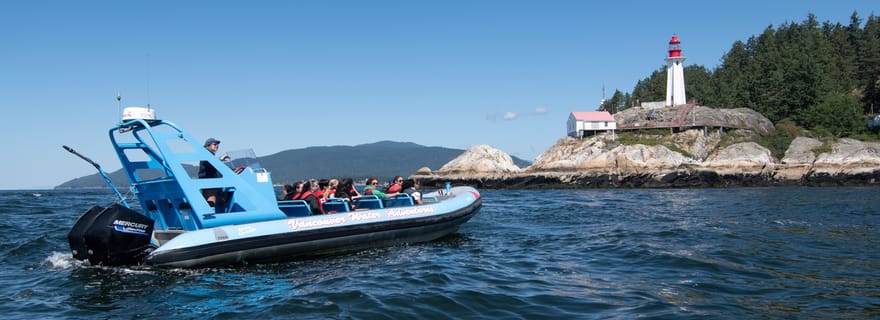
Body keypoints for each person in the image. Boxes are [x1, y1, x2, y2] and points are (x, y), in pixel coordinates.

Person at [198, 138, 230, 206]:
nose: (217, 146)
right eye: (214, 144)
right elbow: (210, 163)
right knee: (211, 198)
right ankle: (210, 212)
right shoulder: (206, 154)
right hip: (209, 182)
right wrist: (220, 159)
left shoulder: (210, 155)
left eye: (217, 144)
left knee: (222, 196)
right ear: (208, 146)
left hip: (214, 182)